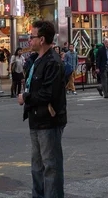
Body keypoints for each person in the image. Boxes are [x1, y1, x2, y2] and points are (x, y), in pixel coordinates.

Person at [19, 20, 67, 198]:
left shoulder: (53, 62)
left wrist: (25, 97)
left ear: (42, 39)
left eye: (32, 37)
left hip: (49, 120)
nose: (29, 40)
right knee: (37, 166)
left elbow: (48, 94)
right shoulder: (36, 60)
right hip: (36, 119)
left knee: (51, 166)